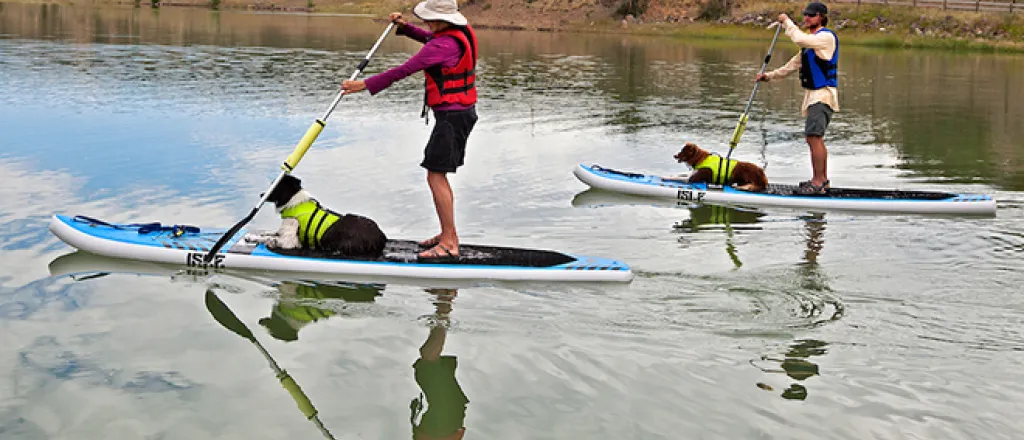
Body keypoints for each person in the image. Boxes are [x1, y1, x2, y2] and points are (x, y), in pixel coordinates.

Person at [341, 0, 478, 261]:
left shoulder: (442, 45)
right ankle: (447, 233)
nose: (426, 23)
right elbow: (429, 37)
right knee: (436, 174)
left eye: (429, 19)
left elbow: (404, 70)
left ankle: (449, 242)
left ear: (443, 20)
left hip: (452, 117)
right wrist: (406, 28)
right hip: (459, 114)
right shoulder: (454, 35)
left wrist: (364, 85)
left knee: (436, 176)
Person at [756, 2, 839, 195]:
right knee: (812, 138)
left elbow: (799, 39)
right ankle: (820, 181)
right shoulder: (810, 44)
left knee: (814, 137)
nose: (807, 18)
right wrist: (768, 76)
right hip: (813, 96)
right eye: (806, 14)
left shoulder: (825, 37)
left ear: (821, 17)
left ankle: (819, 182)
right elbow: (790, 66)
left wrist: (786, 22)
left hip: (823, 95)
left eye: (811, 15)